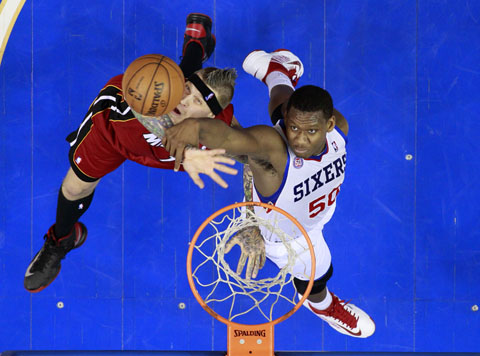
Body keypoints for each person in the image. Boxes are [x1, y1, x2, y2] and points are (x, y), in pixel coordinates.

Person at [163, 49, 376, 338]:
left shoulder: (340, 129)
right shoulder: (273, 147)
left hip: (320, 210)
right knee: (316, 275)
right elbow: (229, 138)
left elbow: (296, 116)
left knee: (282, 103)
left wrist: (287, 109)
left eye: (311, 131)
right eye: (294, 128)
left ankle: (277, 71)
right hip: (291, 237)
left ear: (329, 126)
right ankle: (323, 307)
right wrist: (195, 127)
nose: (299, 138)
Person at [24, 13, 239, 293]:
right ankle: (61, 239)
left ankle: (195, 47)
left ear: (212, 116)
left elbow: (252, 154)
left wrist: (254, 215)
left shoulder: (219, 128)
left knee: (189, 72)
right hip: (113, 130)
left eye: (196, 101)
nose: (183, 99)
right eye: (186, 89)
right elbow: (145, 112)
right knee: (75, 188)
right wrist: (184, 155)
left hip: (166, 139)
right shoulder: (149, 90)